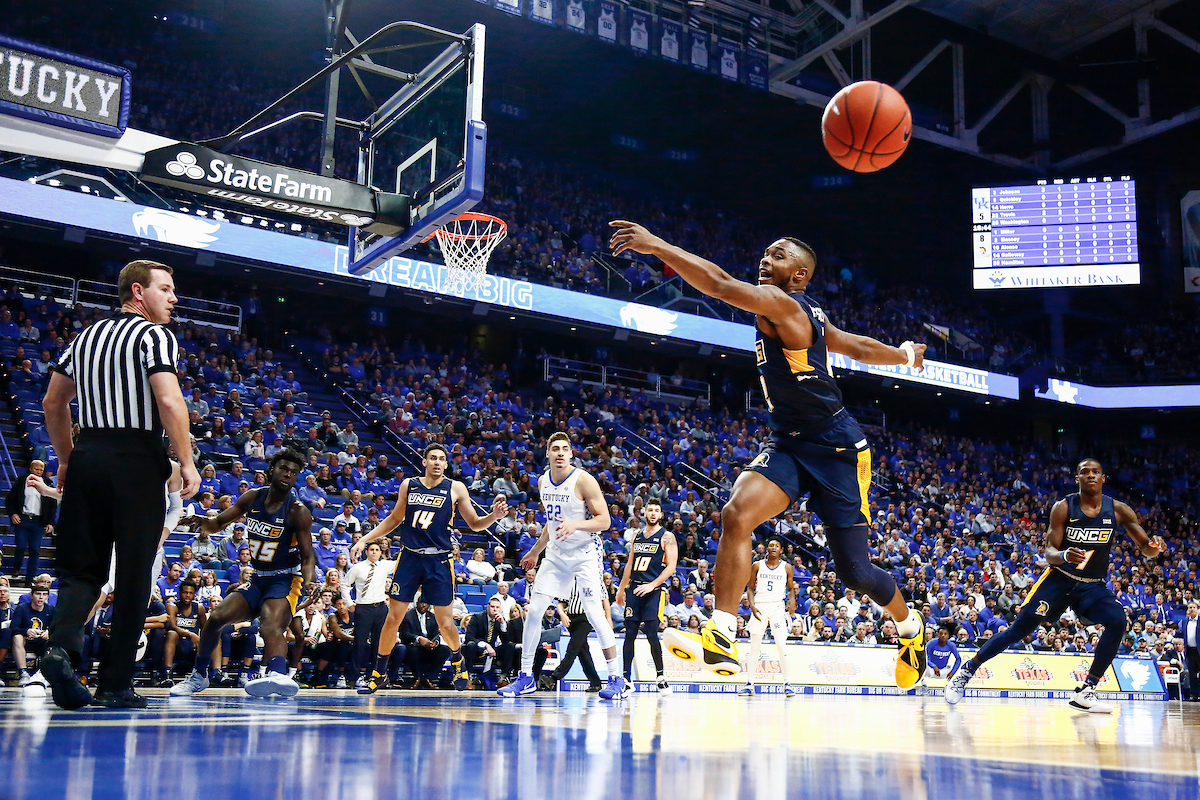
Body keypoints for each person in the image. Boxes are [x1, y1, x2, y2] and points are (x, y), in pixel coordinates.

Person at [609, 222, 929, 687]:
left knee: (856, 574)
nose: (765, 260)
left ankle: (909, 627)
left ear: (798, 276)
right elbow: (851, 344)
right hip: (788, 440)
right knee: (736, 514)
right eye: (765, 252)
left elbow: (719, 285)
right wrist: (902, 355)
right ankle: (721, 632)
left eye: (777, 256)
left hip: (837, 448)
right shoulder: (807, 312)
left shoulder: (785, 303)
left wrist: (657, 246)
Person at [41, 260, 200, 710]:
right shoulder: (153, 335)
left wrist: (67, 459)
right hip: (135, 459)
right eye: (166, 289)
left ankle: (60, 651)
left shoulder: (84, 336)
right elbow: (169, 399)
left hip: (89, 454)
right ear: (138, 291)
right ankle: (114, 684)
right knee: (132, 574)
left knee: (81, 570)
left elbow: (54, 402)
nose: (174, 298)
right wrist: (185, 461)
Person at [945, 458, 1165, 713]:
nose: (1091, 476)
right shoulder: (1064, 507)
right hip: (1058, 579)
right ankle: (966, 671)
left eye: (1096, 472)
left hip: (1092, 585)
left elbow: (1146, 548)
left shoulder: (1119, 510)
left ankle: (1088, 689)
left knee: (1118, 621)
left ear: (1104, 478)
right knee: (1017, 632)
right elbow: (1049, 552)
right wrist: (1064, 555)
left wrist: (1154, 547)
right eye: (1085, 472)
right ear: (1077, 478)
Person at [350, 442, 508, 694]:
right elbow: (394, 519)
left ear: (446, 464)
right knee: (392, 618)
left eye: (441, 459)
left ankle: (458, 662)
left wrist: (494, 517)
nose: (436, 462)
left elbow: (476, 524)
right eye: (432, 458)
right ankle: (378, 674)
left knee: (445, 622)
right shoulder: (408, 485)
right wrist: (364, 539)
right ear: (424, 462)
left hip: (439, 560)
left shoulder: (455, 487)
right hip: (410, 558)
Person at [170, 448, 316, 698]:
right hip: (257, 576)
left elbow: (308, 554)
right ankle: (199, 676)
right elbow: (217, 523)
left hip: (284, 577)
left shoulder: (298, 510)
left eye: (293, 472)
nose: (287, 474)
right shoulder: (252, 498)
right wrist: (200, 522)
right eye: (283, 468)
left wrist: (310, 581)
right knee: (216, 618)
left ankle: (278, 674)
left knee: (271, 624)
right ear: (272, 470)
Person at [500, 432, 626, 700]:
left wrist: (577, 524)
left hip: (585, 553)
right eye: (554, 448)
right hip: (557, 553)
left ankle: (616, 679)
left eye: (564, 449)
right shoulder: (543, 480)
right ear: (547, 453)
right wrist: (535, 550)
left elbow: (604, 522)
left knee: (594, 613)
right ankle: (525, 678)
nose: (559, 453)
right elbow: (552, 522)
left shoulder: (584, 480)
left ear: (571, 454)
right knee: (534, 611)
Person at [615, 498, 676, 694]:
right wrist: (621, 588)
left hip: (654, 591)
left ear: (660, 515)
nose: (652, 513)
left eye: (656, 510)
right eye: (650, 510)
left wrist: (652, 585)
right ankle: (626, 679)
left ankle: (660, 677)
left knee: (651, 633)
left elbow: (672, 567)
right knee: (629, 634)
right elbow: (630, 564)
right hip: (634, 590)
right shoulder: (636, 535)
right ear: (644, 513)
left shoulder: (667, 537)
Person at [739, 537, 797, 697]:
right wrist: (752, 606)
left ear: (781, 550)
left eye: (777, 546)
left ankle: (787, 683)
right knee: (754, 647)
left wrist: (792, 600)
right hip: (760, 606)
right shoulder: (757, 565)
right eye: (771, 545)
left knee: (781, 646)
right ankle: (749, 684)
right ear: (766, 549)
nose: (773, 548)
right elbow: (750, 589)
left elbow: (791, 588)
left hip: (777, 607)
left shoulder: (787, 567)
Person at [342, 540, 396, 686]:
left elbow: (402, 563)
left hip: (380, 608)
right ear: (366, 552)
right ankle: (353, 677)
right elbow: (345, 585)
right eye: (371, 549)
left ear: (380, 552)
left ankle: (377, 676)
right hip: (363, 608)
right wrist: (349, 603)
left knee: (379, 644)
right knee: (360, 643)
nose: (374, 552)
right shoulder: (358, 568)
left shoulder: (385, 565)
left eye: (377, 550)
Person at [540, 578, 604, 693]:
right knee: (583, 653)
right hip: (571, 619)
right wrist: (562, 614)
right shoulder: (569, 583)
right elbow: (561, 603)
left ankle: (554, 677)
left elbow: (603, 601)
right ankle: (595, 682)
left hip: (586, 618)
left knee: (572, 649)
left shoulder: (592, 582)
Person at [5, 460, 56, 584]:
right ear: (31, 468)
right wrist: (13, 514)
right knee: (21, 545)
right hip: (23, 519)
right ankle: (16, 567)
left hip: (38, 522)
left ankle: (30, 579)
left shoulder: (48, 483)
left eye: (41, 470)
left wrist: (50, 522)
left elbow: (52, 505)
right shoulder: (21, 481)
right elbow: (10, 500)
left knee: (35, 549)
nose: (39, 472)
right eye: (37, 469)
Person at [160, 581, 210, 685]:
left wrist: (203, 641)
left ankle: (216, 673)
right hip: (177, 644)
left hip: (193, 646)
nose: (187, 595)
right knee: (172, 633)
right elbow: (173, 625)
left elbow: (206, 629)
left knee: (213, 637)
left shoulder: (199, 608)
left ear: (194, 594)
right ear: (179, 593)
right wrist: (190, 634)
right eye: (185, 592)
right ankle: (168, 674)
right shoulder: (172, 606)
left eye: (190, 593)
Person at [400, 600, 449, 689]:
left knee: (445, 650)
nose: (424, 605)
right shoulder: (407, 616)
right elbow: (404, 634)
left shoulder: (432, 617)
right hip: (413, 646)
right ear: (416, 603)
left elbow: (436, 634)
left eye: (426, 603)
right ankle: (417, 678)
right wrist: (418, 639)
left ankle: (429, 677)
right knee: (412, 650)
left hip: (428, 648)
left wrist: (435, 642)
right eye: (422, 603)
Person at [12, 585, 54, 686]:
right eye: (38, 594)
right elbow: (13, 628)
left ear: (47, 597)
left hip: (42, 641)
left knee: (54, 639)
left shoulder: (51, 609)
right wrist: (26, 631)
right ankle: (23, 673)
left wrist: (49, 632)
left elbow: (57, 628)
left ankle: (43, 674)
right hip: (25, 641)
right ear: (31, 595)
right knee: (17, 637)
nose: (41, 597)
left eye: (44, 595)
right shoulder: (22, 608)